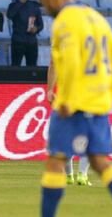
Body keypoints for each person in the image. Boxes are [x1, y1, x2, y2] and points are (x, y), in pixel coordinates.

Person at [36, 0, 112, 217]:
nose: (46, 7)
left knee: (56, 161)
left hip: (74, 103)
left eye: (44, 2)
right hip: (98, 103)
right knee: (99, 161)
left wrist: (69, 99)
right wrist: (109, 96)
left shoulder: (64, 20)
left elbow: (72, 60)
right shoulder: (96, 18)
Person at [48, 57, 92, 186]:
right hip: (87, 94)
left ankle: (68, 176)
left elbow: (53, 63)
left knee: (67, 137)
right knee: (88, 136)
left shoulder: (62, 40)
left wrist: (50, 89)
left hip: (65, 95)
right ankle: (82, 175)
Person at [7, 0, 43, 66]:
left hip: (32, 42)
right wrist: (20, 3)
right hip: (18, 41)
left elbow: (41, 24)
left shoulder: (34, 6)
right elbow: (10, 15)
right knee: (15, 67)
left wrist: (36, 29)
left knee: (32, 67)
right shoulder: (13, 5)